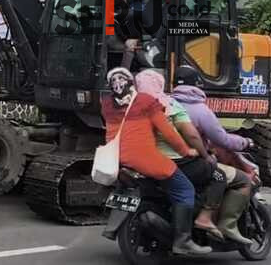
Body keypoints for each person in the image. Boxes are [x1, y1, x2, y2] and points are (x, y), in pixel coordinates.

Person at [101, 67, 211, 255]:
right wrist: (186, 151)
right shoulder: (147, 102)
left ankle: (121, 225)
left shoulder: (107, 104)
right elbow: (169, 133)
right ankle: (183, 240)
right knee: (185, 189)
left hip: (117, 157)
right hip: (144, 158)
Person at [135, 69, 227, 241]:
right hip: (172, 162)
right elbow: (192, 136)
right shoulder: (168, 105)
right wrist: (205, 155)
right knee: (217, 176)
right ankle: (197, 224)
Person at [172, 65, 256, 245]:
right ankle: (226, 224)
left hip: (167, 161)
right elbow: (222, 140)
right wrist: (245, 142)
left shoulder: (166, 104)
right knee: (242, 180)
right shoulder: (200, 110)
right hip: (192, 162)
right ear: (197, 84)